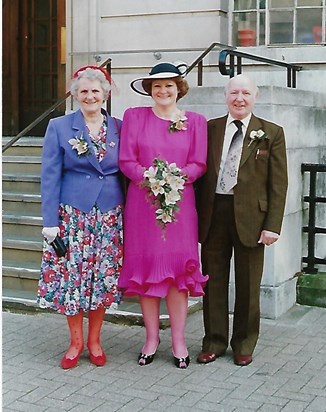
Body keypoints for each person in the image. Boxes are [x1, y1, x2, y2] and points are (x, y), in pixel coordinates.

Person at [118, 62, 208, 369]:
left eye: (169, 85)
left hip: (180, 207)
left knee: (177, 275)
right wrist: (150, 177)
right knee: (147, 274)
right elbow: (126, 160)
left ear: (179, 88)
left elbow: (199, 163)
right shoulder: (135, 117)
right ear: (149, 90)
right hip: (142, 206)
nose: (163, 91)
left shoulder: (195, 121)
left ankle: (179, 340)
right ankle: (151, 338)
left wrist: (177, 177)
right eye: (157, 86)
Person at [196, 74, 288, 366]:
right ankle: (214, 341)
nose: (239, 98)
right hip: (214, 213)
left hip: (252, 218)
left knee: (249, 284)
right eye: (234, 92)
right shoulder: (209, 129)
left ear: (255, 97)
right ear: (226, 96)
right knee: (213, 282)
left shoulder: (271, 132)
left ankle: (244, 343)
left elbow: (278, 183)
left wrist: (272, 225)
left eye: (245, 93)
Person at [37, 65, 124, 369]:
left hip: (109, 217)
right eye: (84, 91)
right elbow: (49, 176)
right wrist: (50, 222)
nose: (89, 96)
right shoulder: (59, 127)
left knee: (101, 278)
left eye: (95, 91)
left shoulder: (118, 126)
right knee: (72, 279)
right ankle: (75, 343)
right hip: (73, 215)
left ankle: (95, 341)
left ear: (105, 94)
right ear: (75, 94)